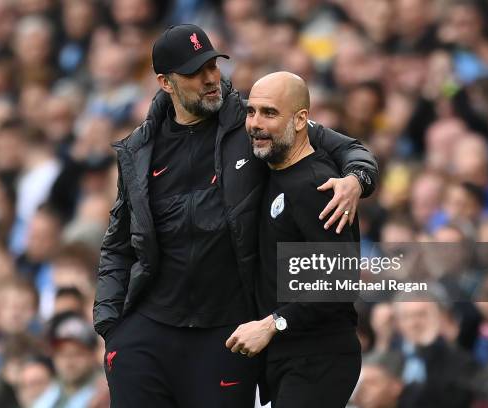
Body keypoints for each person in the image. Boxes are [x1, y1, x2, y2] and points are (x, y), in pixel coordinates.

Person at [93, 24, 378, 407]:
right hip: (149, 331)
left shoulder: (255, 122)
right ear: (165, 82)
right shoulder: (139, 148)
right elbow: (118, 242)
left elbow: (347, 147)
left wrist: (356, 179)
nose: (212, 79)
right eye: (196, 72)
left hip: (228, 332)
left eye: (213, 66)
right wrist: (111, 326)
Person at [224, 72, 362, 407]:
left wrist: (273, 323)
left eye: (269, 113)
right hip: (284, 355)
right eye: (251, 111)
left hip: (318, 356)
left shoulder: (318, 186)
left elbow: (338, 281)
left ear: (301, 120)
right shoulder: (268, 173)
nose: (256, 123)